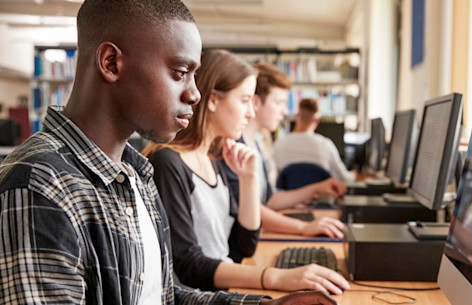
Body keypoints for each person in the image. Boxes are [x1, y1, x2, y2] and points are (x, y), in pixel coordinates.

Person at [0, 1, 338, 304]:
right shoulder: (40, 183)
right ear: (111, 63)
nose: (194, 94)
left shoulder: (136, 174)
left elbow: (160, 295)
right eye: (180, 73)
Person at [143, 49, 349, 295]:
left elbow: (243, 247)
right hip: (198, 298)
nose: (250, 113)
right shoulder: (168, 162)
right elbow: (188, 265)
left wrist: (249, 179)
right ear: (214, 100)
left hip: (221, 292)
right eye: (244, 101)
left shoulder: (213, 159)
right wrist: (275, 277)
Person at [225, 63, 348, 215]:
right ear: (256, 102)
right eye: (278, 103)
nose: (285, 111)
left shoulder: (256, 142)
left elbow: (269, 200)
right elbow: (249, 209)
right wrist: (303, 228)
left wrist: (316, 189)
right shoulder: (234, 147)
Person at [273, 98, 356, 182]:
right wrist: (354, 174)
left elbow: (273, 178)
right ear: (316, 120)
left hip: (287, 195)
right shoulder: (325, 145)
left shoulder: (279, 144)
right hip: (320, 194)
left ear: (297, 116)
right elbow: (345, 178)